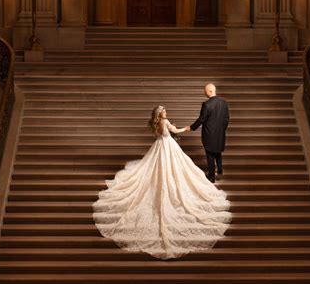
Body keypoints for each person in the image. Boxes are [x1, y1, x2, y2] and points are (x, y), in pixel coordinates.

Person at [92, 105, 231, 260]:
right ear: (161, 113)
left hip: (159, 147)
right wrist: (186, 129)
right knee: (177, 169)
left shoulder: (156, 123)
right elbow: (174, 132)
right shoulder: (164, 121)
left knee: (158, 169)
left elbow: (161, 134)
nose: (166, 111)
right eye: (164, 110)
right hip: (168, 147)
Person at [187, 83, 229, 183]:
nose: (204, 93)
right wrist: (222, 130)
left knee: (210, 154)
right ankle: (219, 169)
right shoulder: (224, 103)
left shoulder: (206, 104)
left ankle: (211, 177)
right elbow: (226, 119)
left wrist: (191, 127)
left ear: (210, 91)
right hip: (220, 133)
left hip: (209, 134)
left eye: (205, 91)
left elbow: (201, 119)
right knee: (217, 150)